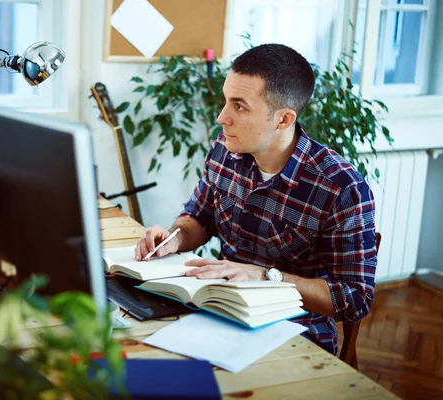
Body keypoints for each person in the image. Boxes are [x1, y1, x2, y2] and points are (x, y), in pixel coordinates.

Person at [134, 43, 377, 355]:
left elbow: (354, 301)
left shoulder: (341, 188)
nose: (222, 118)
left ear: (284, 119)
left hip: (295, 332)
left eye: (240, 106)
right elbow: (199, 218)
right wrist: (173, 239)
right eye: (226, 101)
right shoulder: (224, 150)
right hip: (219, 311)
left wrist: (264, 277)